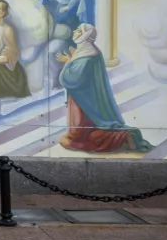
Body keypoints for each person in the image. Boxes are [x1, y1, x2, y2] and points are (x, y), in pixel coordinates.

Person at [56, 24, 154, 153]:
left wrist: (68, 62)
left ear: (84, 36)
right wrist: (73, 59)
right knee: (83, 131)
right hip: (89, 101)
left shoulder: (85, 57)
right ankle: (124, 136)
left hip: (83, 103)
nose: (75, 31)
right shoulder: (91, 51)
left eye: (79, 30)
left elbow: (71, 79)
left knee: (77, 137)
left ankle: (122, 136)